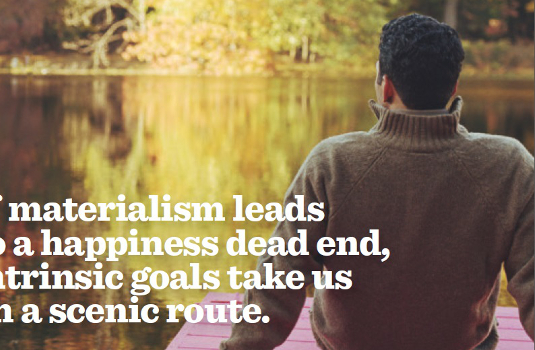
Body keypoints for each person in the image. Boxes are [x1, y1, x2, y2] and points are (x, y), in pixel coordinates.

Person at [219, 13, 534, 350]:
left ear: (386, 87)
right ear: (453, 87)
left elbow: (282, 273)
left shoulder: (331, 162)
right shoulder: (510, 164)